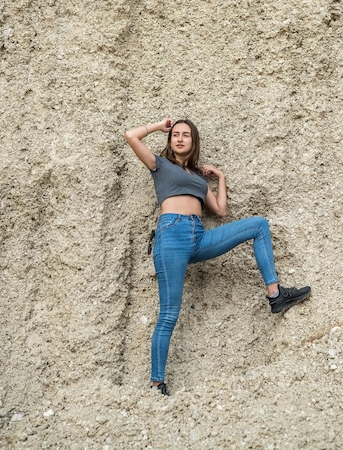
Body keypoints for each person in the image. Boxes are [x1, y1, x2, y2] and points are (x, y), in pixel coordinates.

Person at [124, 118, 311, 396]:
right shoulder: (160, 165)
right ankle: (156, 384)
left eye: (185, 135)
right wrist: (157, 127)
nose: (179, 139)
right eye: (175, 135)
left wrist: (220, 177)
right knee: (169, 315)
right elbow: (130, 136)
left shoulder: (199, 179)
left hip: (198, 238)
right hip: (172, 238)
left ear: (193, 141)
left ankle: (276, 295)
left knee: (258, 225)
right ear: (169, 139)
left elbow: (220, 211)